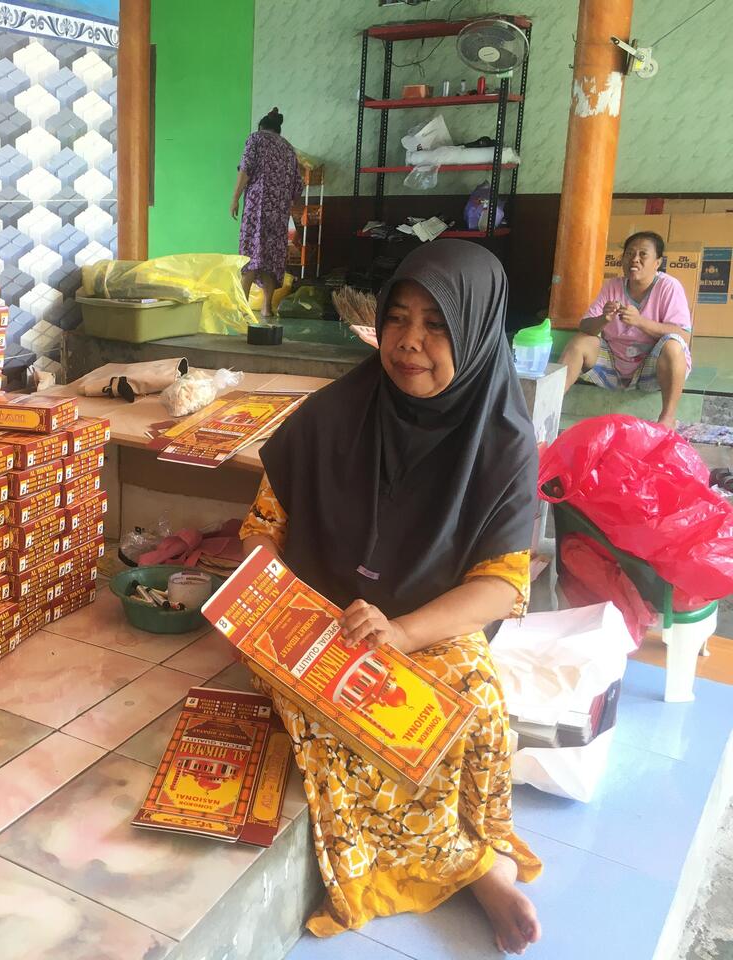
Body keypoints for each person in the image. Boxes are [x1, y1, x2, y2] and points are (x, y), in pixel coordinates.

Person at [241, 239, 543, 954]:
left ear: (474, 332)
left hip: (430, 620)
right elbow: (262, 528)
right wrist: (272, 604)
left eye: (436, 325)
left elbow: (502, 584)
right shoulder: (333, 414)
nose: (408, 343)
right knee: (344, 716)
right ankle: (471, 871)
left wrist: (404, 632)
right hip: (321, 619)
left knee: (475, 712)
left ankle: (481, 860)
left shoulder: (502, 442)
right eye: (397, 318)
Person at [558, 231, 692, 430]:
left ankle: (667, 418)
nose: (634, 260)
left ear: (657, 262)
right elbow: (584, 326)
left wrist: (640, 321)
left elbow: (683, 336)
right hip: (615, 363)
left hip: (652, 367)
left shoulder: (669, 287)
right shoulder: (612, 285)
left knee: (674, 345)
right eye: (629, 254)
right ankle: (550, 404)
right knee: (579, 342)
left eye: (643, 254)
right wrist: (603, 319)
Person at [231, 107, 303, 319]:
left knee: (251, 255)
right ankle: (266, 308)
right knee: (271, 257)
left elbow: (245, 170)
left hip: (257, 207)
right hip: (279, 212)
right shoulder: (288, 148)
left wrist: (235, 198)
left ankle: (241, 308)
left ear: (262, 127)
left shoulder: (255, 139)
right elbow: (298, 185)